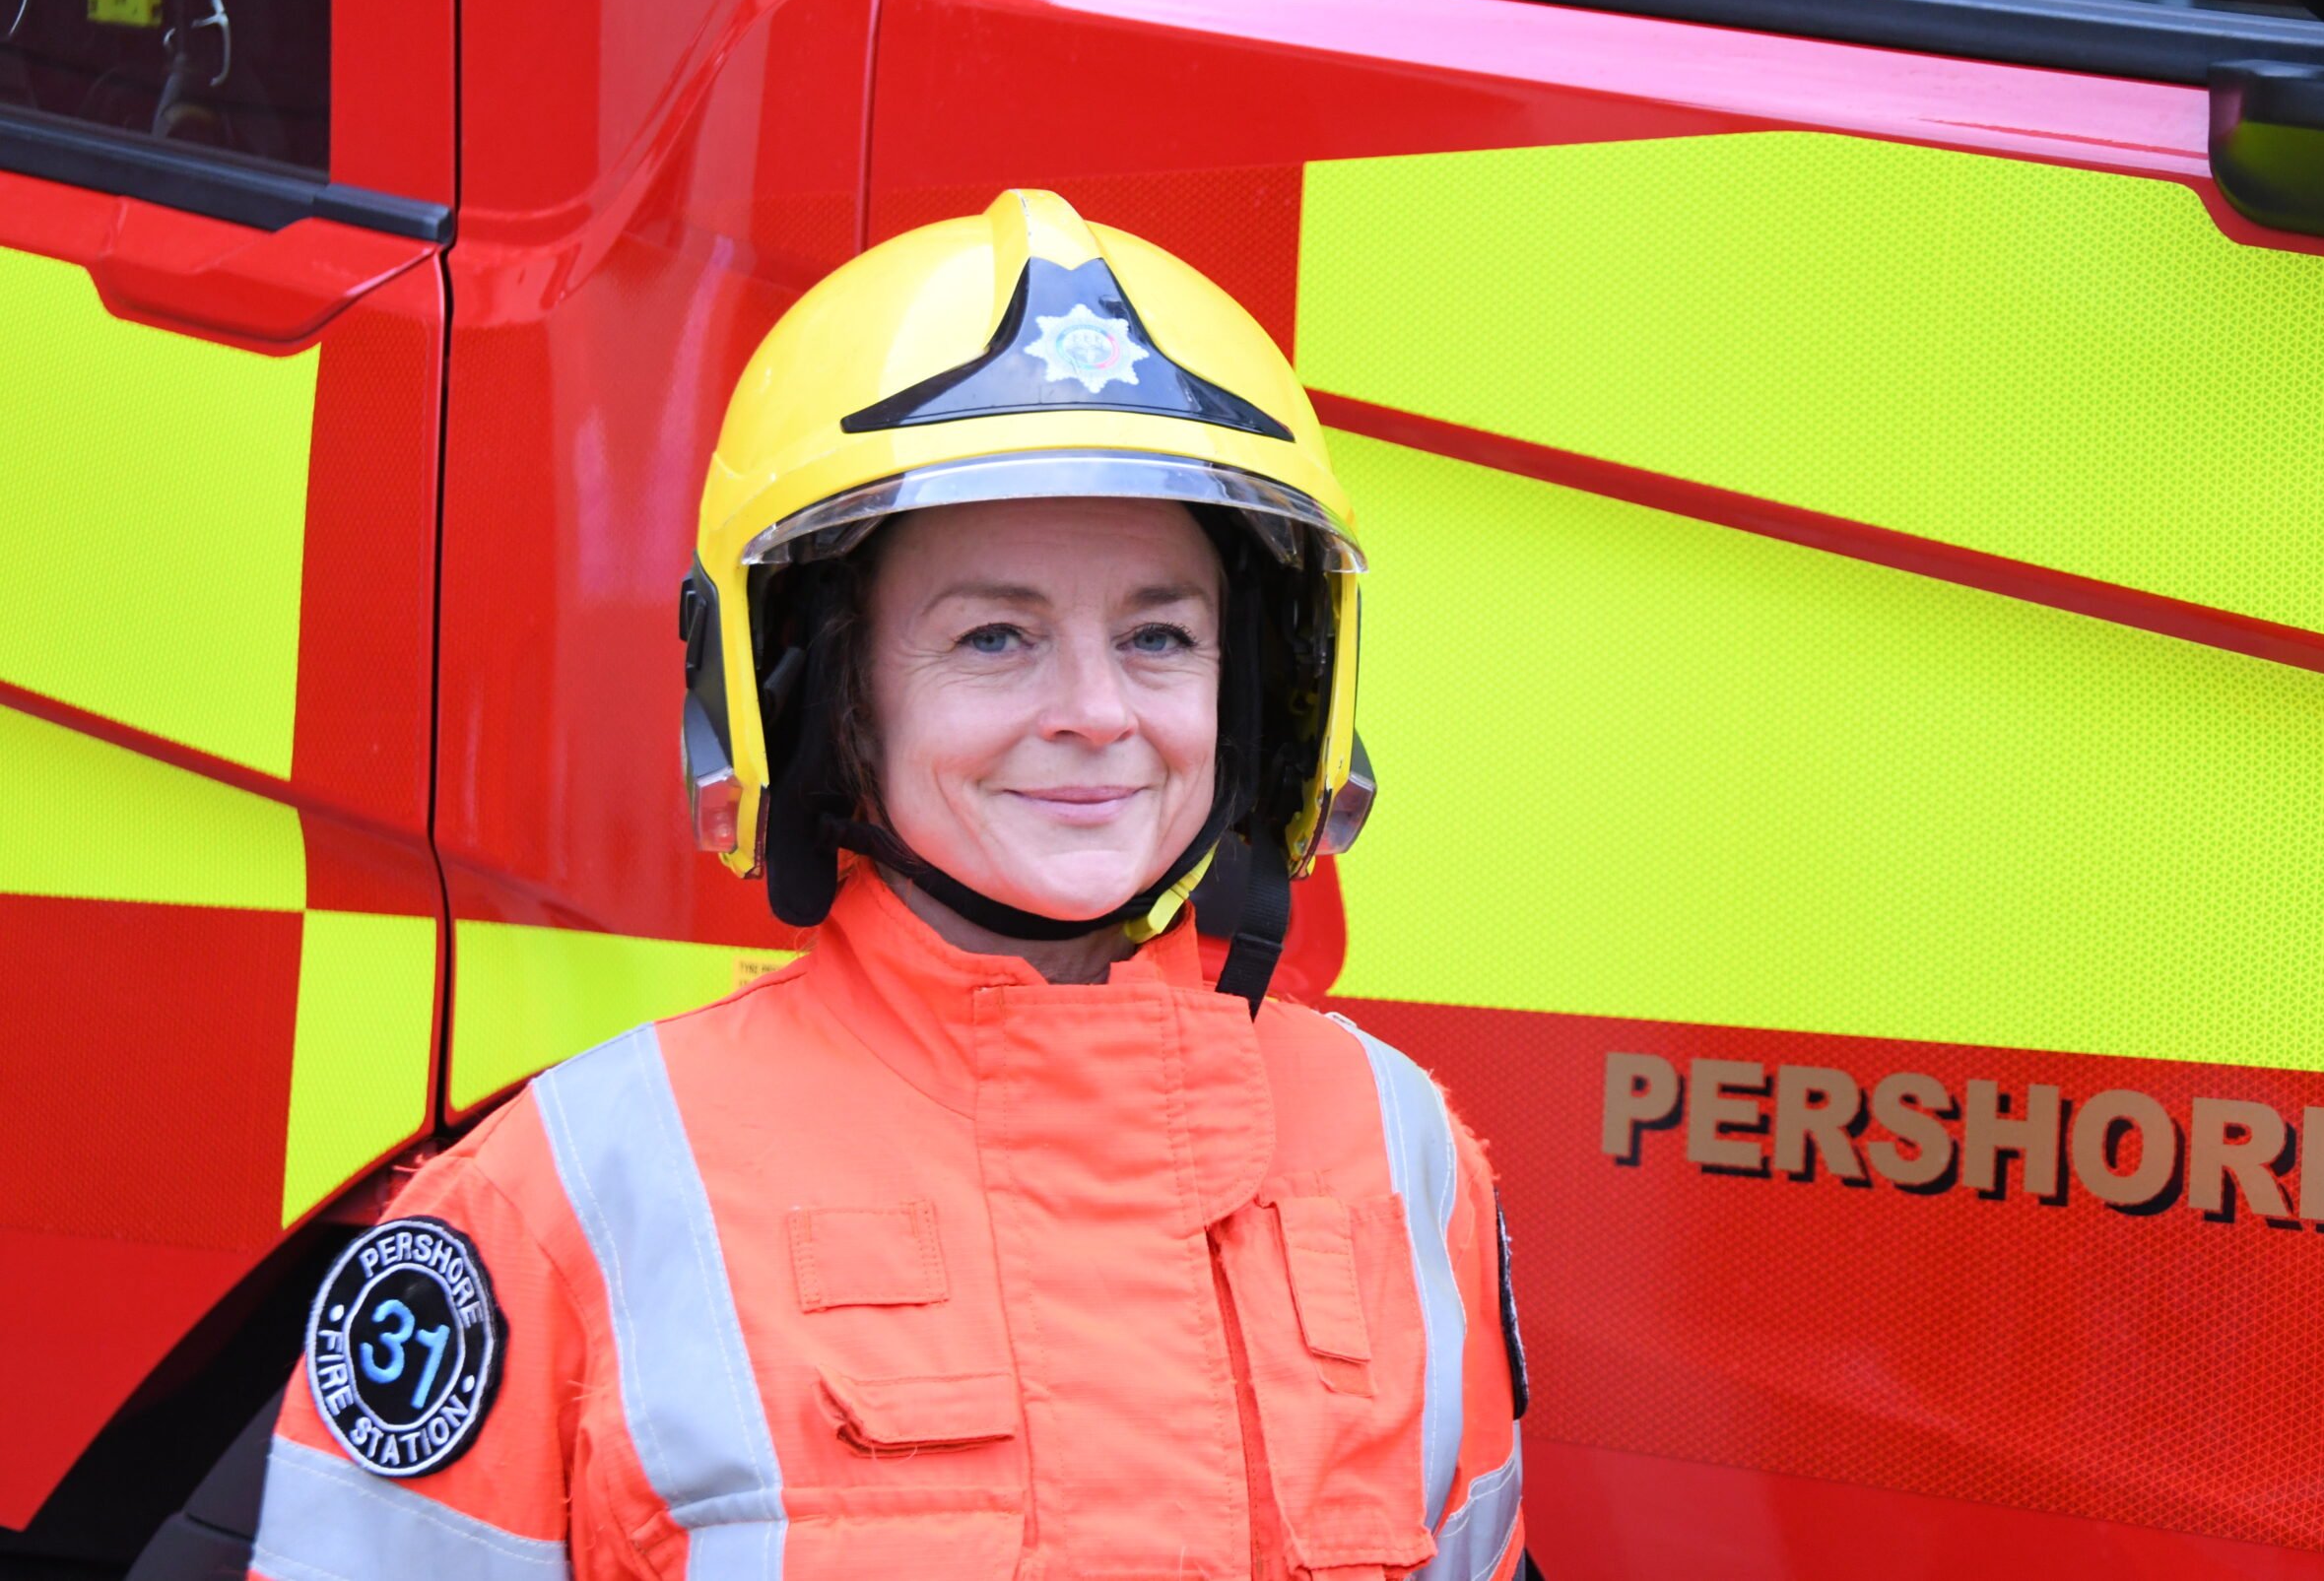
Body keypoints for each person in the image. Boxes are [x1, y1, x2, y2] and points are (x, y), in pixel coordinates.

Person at [245, 190, 1528, 1580]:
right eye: (993, 638)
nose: (1098, 711)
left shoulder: (1399, 1154)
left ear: (1266, 693)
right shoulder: (557, 1206)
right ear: (825, 705)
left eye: (1160, 636)